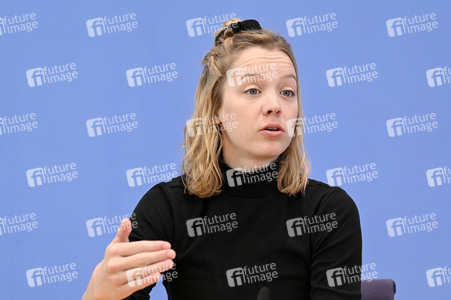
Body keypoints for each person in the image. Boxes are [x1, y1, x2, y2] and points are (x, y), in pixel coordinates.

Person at [82, 18, 362, 300]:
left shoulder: (329, 211)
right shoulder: (167, 208)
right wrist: (98, 292)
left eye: (287, 92)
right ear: (216, 109)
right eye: (253, 90)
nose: (275, 106)